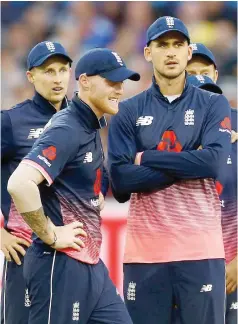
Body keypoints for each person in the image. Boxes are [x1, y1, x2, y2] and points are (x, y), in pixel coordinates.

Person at [108, 16, 231, 324]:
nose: (171, 52)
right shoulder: (128, 110)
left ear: (189, 52)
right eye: (162, 45)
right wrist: (192, 161)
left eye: (178, 45)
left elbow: (214, 163)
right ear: (148, 53)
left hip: (200, 252)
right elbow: (121, 183)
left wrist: (146, 157)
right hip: (145, 256)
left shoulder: (214, 104)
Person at [7, 48, 140, 324]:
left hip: (89, 262)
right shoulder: (68, 127)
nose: (119, 90)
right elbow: (20, 183)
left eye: (121, 83)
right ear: (85, 81)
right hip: (58, 262)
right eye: (111, 82)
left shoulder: (88, 124)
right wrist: (51, 234)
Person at [1, 41, 72, 324]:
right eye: (47, 71)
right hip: (26, 253)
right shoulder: (11, 121)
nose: (57, 78)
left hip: (73, 254)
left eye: (62, 70)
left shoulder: (84, 119)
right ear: (31, 76)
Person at [186, 44, 238, 324]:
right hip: (184, 260)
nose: (197, 80)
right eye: (189, 73)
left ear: (215, 75)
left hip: (231, 263)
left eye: (203, 72)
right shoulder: (164, 130)